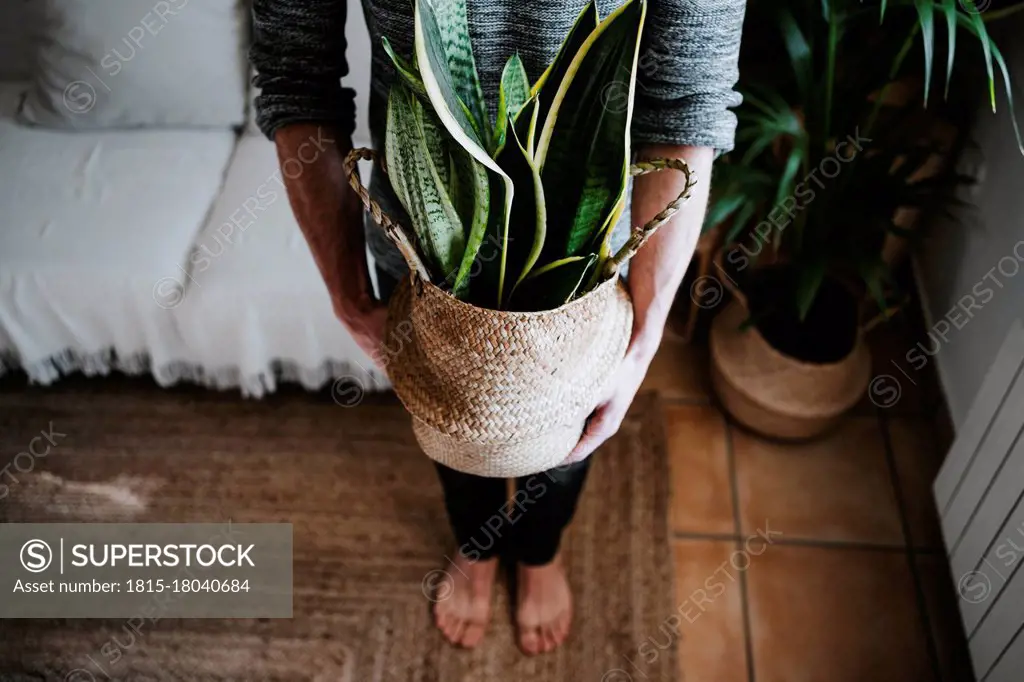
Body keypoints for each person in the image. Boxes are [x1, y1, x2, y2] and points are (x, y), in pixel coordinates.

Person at [251, 0, 744, 655]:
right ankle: (477, 546)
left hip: (586, 255)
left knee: (568, 440)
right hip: (425, 252)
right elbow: (296, 74)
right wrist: (347, 295)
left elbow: (687, 97)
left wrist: (645, 335)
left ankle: (539, 551)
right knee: (458, 429)